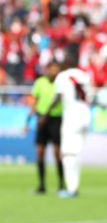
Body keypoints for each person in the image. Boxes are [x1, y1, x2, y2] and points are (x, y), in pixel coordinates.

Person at [42, 53, 93, 198]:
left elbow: (57, 97)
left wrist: (47, 112)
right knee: (76, 152)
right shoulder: (85, 75)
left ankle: (71, 188)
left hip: (72, 117)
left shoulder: (63, 76)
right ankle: (74, 185)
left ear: (65, 64)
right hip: (85, 115)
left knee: (68, 154)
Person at [26, 62, 64, 194]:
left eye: (57, 70)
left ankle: (61, 184)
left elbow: (58, 99)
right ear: (48, 70)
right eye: (53, 70)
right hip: (41, 119)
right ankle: (41, 185)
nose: (54, 73)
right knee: (40, 151)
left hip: (55, 119)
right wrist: (28, 119)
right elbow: (35, 101)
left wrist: (44, 115)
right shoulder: (40, 82)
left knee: (57, 153)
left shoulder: (61, 83)